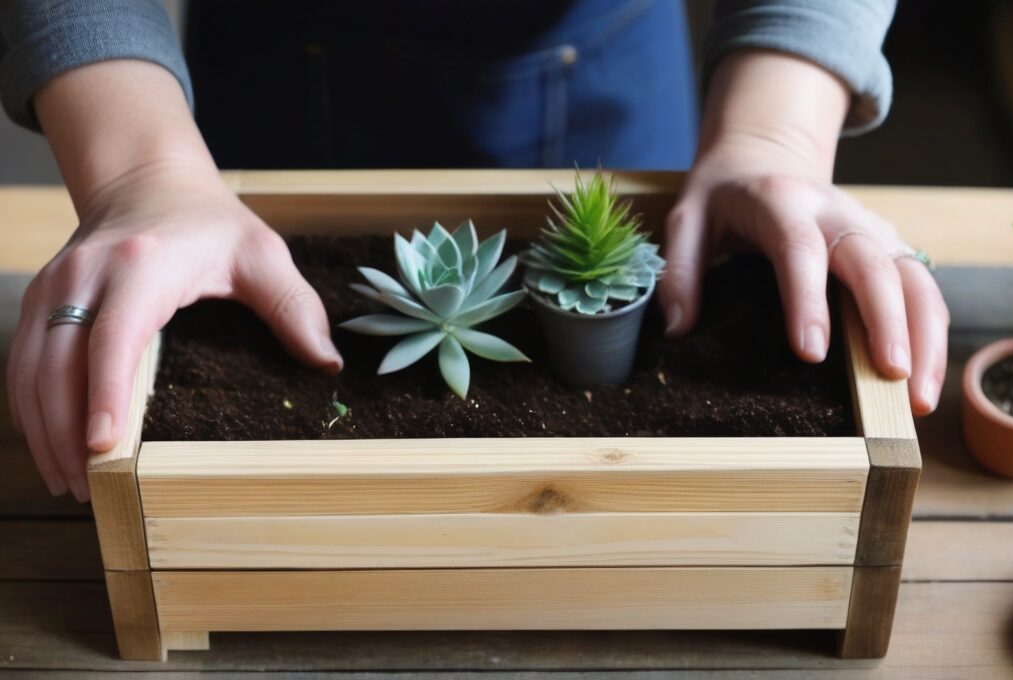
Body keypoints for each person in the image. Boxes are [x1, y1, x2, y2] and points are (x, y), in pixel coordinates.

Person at [0, 0, 948, 503]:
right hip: (270, 73)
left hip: (608, 60)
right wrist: (140, 172)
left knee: (687, 267)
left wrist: (776, 136)